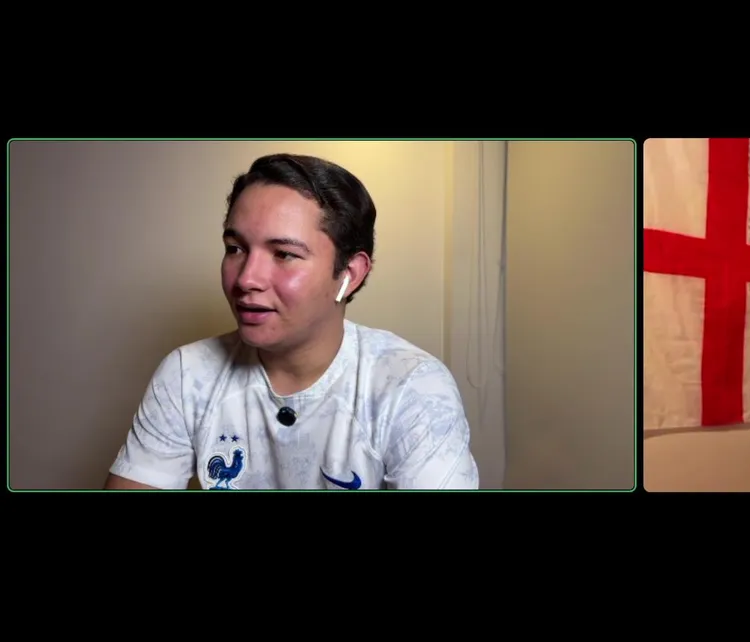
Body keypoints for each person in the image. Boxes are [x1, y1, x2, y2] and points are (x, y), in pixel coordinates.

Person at [105, 153, 479, 490]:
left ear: (350, 274)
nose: (246, 279)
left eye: (283, 254)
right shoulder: (188, 375)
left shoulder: (411, 387)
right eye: (235, 248)